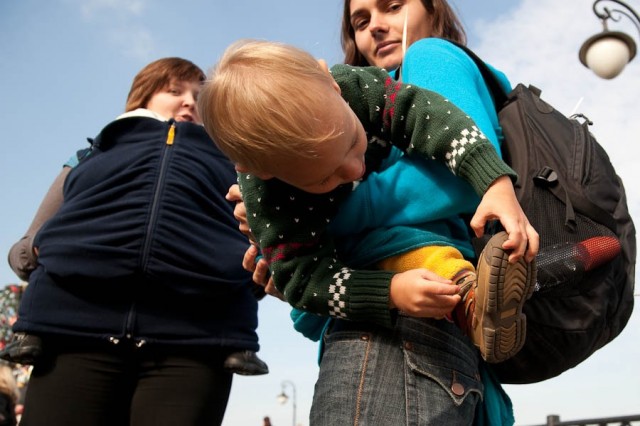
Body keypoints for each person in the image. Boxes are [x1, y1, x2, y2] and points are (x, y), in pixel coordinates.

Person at [200, 39, 537, 425]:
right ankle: (472, 301)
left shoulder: (360, 88)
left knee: (406, 245)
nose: (354, 170)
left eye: (354, 141)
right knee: (393, 251)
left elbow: (430, 116)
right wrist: (389, 293)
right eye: (326, 177)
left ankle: (473, 300)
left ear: (332, 85)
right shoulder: (270, 202)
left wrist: (494, 181)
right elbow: (303, 281)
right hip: (365, 282)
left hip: (384, 318)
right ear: (267, 175)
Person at [7, 57, 265, 425]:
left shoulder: (234, 161)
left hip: (197, 337)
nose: (190, 101)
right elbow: (31, 240)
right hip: (74, 329)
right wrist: (36, 252)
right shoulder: (94, 152)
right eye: (174, 91)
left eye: (199, 96)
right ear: (142, 97)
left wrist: (249, 273)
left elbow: (260, 233)